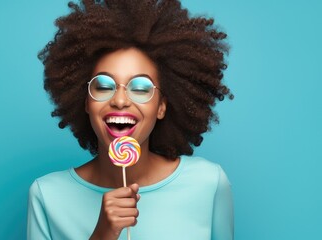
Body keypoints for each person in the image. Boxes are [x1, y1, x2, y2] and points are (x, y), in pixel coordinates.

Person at [28, 0, 234, 239]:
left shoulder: (208, 184)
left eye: (141, 87)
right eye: (104, 86)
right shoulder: (47, 196)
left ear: (161, 106)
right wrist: (103, 233)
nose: (120, 100)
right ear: (85, 101)